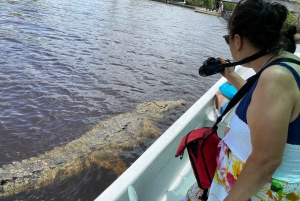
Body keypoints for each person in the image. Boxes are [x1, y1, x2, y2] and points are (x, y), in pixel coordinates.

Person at [180, 0, 300, 200]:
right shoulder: (284, 63)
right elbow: (263, 105)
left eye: (229, 39)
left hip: (259, 191)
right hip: (243, 182)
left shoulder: (275, 78)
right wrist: (231, 76)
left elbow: (265, 162)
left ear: (238, 41)